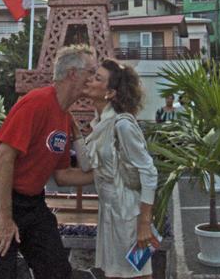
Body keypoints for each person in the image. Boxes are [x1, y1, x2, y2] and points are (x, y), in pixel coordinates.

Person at [0, 45, 96, 279]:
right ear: (72, 73)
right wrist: (5, 219)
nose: (94, 78)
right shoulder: (37, 102)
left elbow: (62, 175)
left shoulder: (64, 115)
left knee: (56, 270)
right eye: (91, 71)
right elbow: (3, 158)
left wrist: (104, 174)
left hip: (32, 202)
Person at [72, 59, 159, 279]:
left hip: (129, 216)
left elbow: (149, 173)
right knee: (115, 275)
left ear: (110, 93)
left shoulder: (122, 125)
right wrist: (72, 127)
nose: (90, 80)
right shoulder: (99, 124)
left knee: (136, 276)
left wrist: (144, 224)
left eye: (98, 78)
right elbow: (86, 165)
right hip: (110, 214)